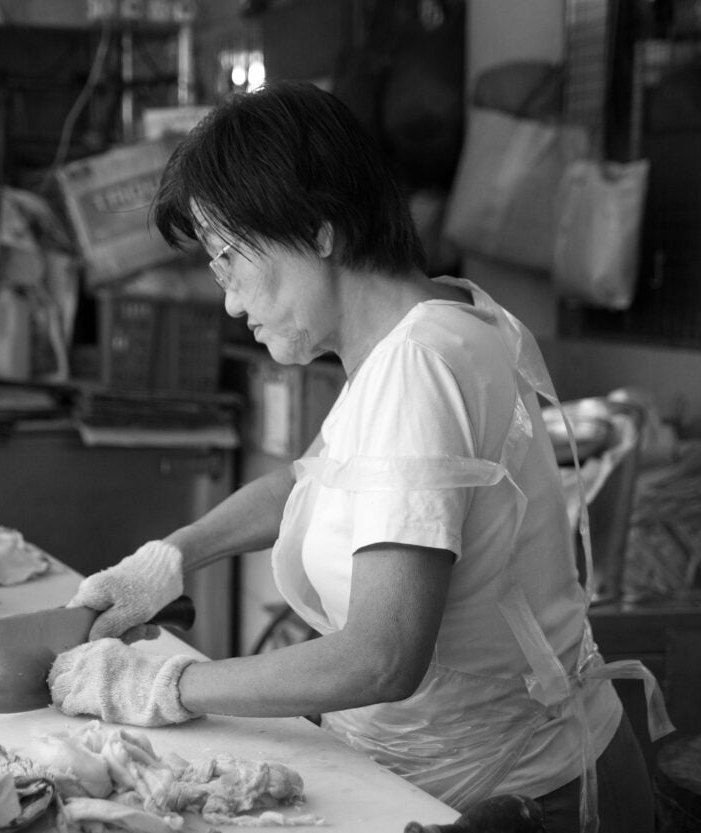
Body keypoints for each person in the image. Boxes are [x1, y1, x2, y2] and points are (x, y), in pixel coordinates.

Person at [46, 81, 669, 833]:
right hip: (444, 778)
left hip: (518, 800)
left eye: (229, 260)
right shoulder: (418, 327)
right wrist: (168, 560)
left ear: (317, 231)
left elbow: (380, 656)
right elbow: (310, 478)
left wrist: (170, 682)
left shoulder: (421, 364)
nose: (230, 303)